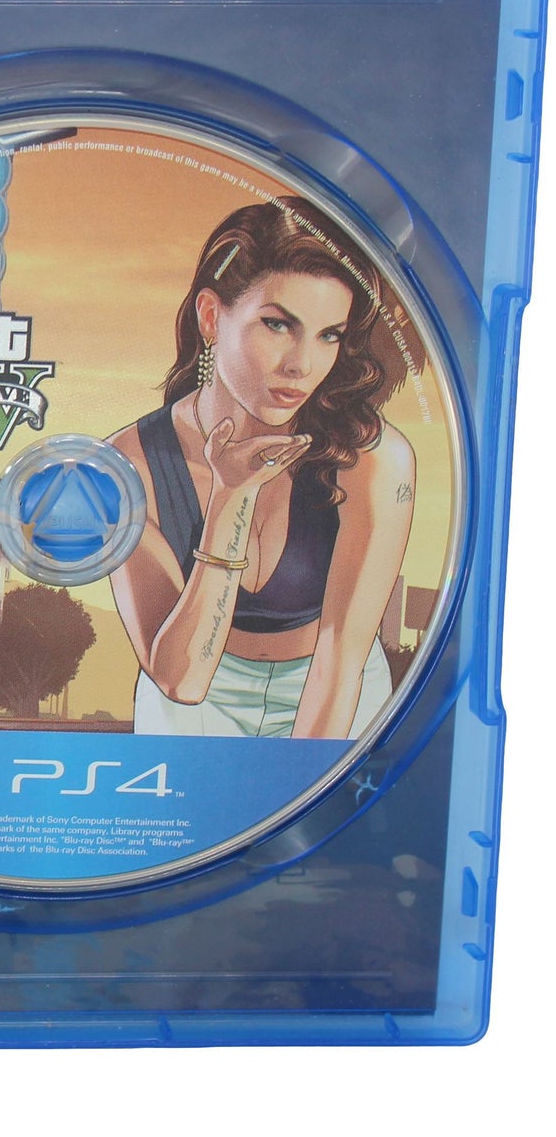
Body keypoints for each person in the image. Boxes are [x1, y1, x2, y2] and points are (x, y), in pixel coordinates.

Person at [108, 196, 416, 739]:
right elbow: (182, 681)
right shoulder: (127, 468)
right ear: (211, 316)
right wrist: (230, 497)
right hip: (196, 695)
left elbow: (340, 662)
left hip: (332, 689)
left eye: (329, 334)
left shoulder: (373, 459)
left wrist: (307, 785)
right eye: (277, 325)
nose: (302, 364)